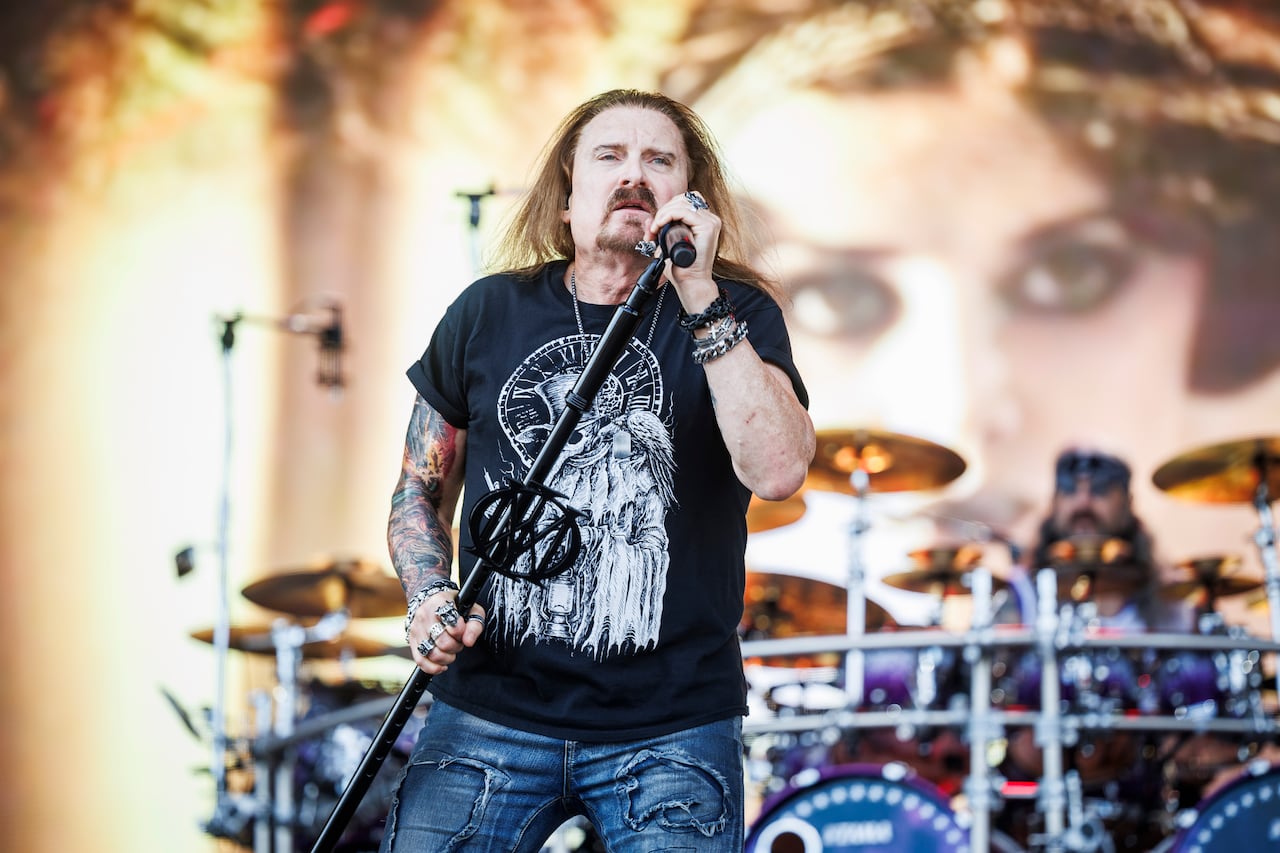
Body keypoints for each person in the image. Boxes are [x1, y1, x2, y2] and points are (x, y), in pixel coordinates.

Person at [381, 88, 815, 852]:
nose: (634, 175)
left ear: (693, 197)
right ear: (564, 198)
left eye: (659, 160)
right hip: (488, 710)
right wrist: (427, 594)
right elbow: (419, 485)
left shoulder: (736, 313)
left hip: (673, 723)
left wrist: (702, 297)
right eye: (609, 156)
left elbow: (779, 469)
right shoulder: (487, 313)